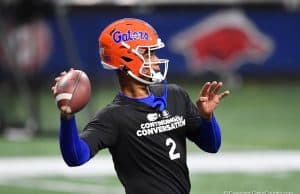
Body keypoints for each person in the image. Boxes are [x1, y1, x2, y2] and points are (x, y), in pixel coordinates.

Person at [52, 18, 230, 194]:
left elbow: (212, 145)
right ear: (126, 60)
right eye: (148, 54)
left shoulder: (176, 95)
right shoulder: (113, 117)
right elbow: (75, 157)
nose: (156, 60)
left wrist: (207, 118)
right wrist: (67, 118)